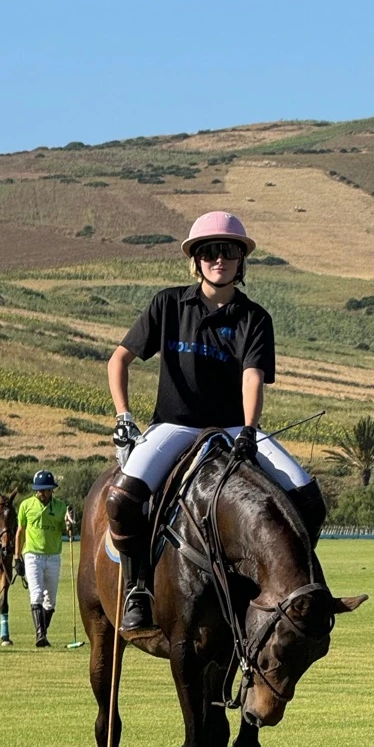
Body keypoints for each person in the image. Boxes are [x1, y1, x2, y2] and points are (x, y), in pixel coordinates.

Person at [106, 210, 326, 637]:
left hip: (232, 428)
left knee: (309, 498)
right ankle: (138, 589)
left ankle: (287, 586)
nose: (219, 259)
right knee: (123, 501)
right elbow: (119, 360)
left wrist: (248, 429)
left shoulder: (254, 318)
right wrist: (123, 417)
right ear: (196, 260)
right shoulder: (167, 304)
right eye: (210, 251)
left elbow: (252, 377)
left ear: (241, 261)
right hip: (176, 427)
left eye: (228, 251)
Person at [14, 469, 75, 648]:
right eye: (41, 490)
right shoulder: (26, 505)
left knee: (51, 601)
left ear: (52, 490)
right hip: (33, 555)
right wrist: (17, 557)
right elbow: (20, 532)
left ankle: (43, 632)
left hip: (54, 556)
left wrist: (69, 525)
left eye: (47, 490)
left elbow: (66, 526)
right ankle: (40, 635)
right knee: (37, 594)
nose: (44, 493)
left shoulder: (60, 506)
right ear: (36, 490)